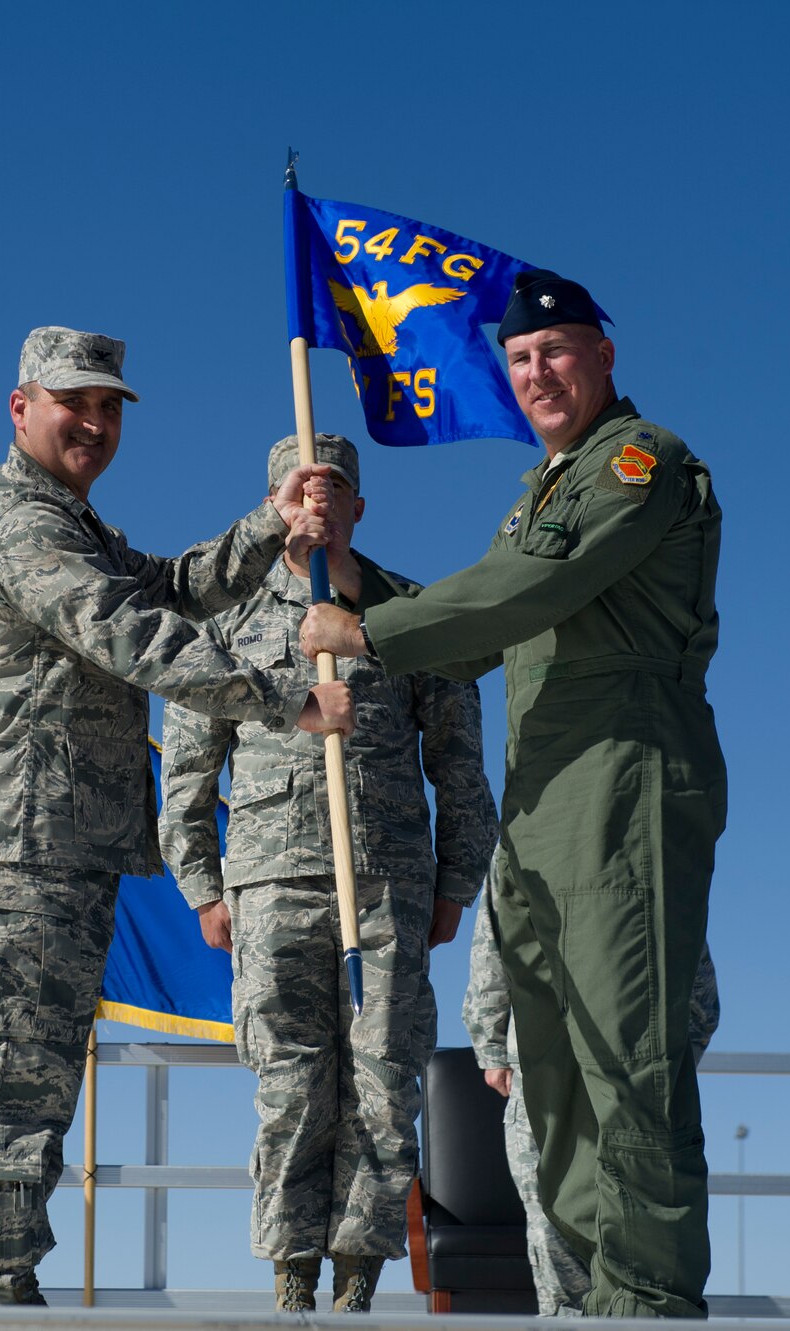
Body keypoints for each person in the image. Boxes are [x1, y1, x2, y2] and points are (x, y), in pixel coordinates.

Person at [300, 269, 726, 1317]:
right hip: (537, 803)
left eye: (557, 351)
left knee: (627, 1060)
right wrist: (347, 572)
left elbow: (531, 588)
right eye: (521, 359)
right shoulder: (538, 495)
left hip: (623, 781)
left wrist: (363, 632)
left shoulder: (640, 462)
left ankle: (649, 1301)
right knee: (554, 1075)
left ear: (602, 357)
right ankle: (588, 1298)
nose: (537, 373)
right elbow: (484, 622)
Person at [0, 327, 355, 1306]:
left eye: (110, 405)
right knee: (14, 1061)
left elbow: (165, 587)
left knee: (38, 1068)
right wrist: (282, 694)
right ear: (20, 407)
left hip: (64, 840)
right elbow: (127, 630)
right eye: (74, 400)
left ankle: (6, 1273)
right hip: (15, 837)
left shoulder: (76, 524)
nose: (94, 420)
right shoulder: (23, 526)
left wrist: (268, 526)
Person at [159, 433, 497, 1313]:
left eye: (333, 487)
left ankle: (358, 1281)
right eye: (298, 488)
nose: (316, 503)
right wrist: (202, 884)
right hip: (270, 884)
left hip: (386, 882)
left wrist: (457, 878)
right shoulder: (227, 622)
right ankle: (292, 1276)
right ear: (277, 504)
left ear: (357, 507)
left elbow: (459, 759)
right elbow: (189, 769)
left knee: (383, 1084)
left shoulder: (410, 614)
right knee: (289, 1086)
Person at [463, 883, 722, 1314]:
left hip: (598, 1072)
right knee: (564, 1227)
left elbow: (691, 966)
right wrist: (491, 1045)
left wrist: (492, 1044)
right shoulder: (640, 834)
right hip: (581, 1069)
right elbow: (497, 928)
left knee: (613, 1232)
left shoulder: (635, 840)